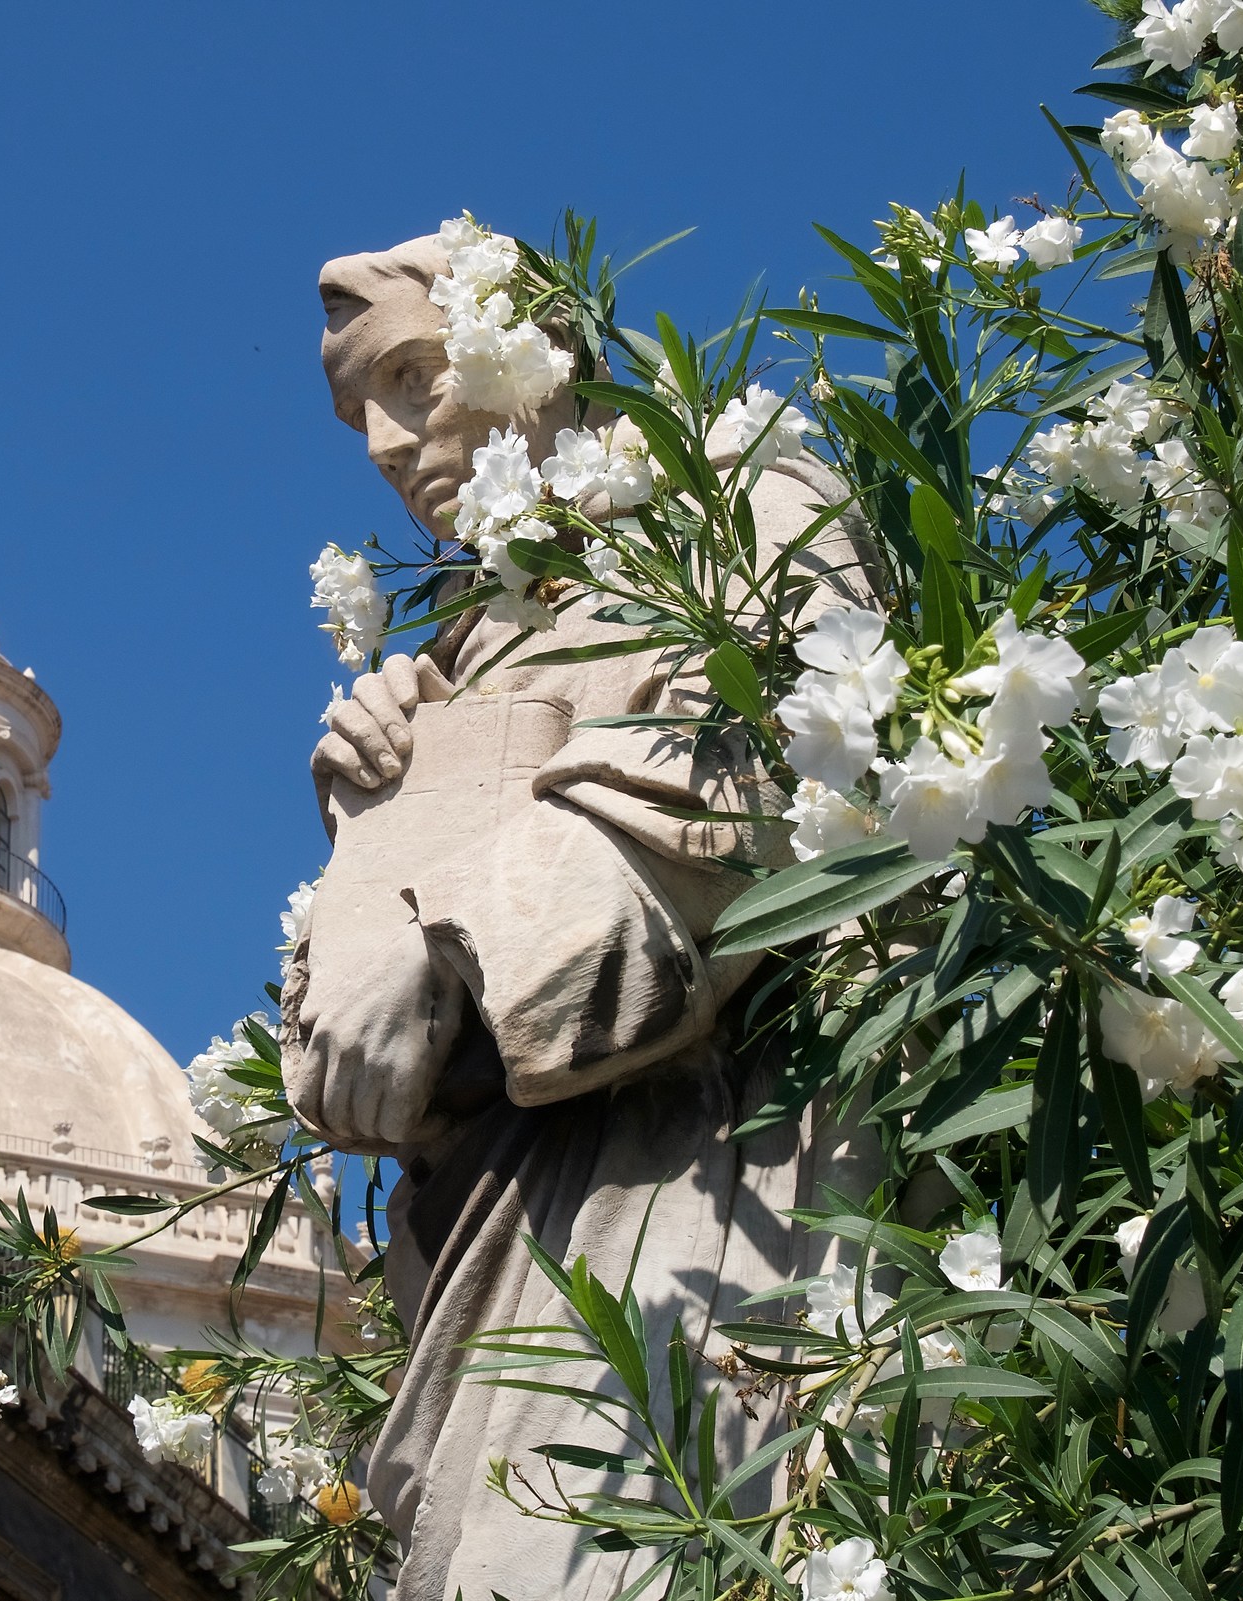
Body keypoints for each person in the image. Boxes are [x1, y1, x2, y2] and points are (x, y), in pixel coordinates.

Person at [282, 233, 881, 1600]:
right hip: (512, 1240)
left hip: (694, 1187)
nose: (384, 439)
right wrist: (377, 820)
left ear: (536, 345)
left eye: (414, 374)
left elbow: (742, 799)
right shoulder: (460, 648)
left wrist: (434, 948)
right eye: (359, 409)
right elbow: (363, 1063)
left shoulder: (742, 502)